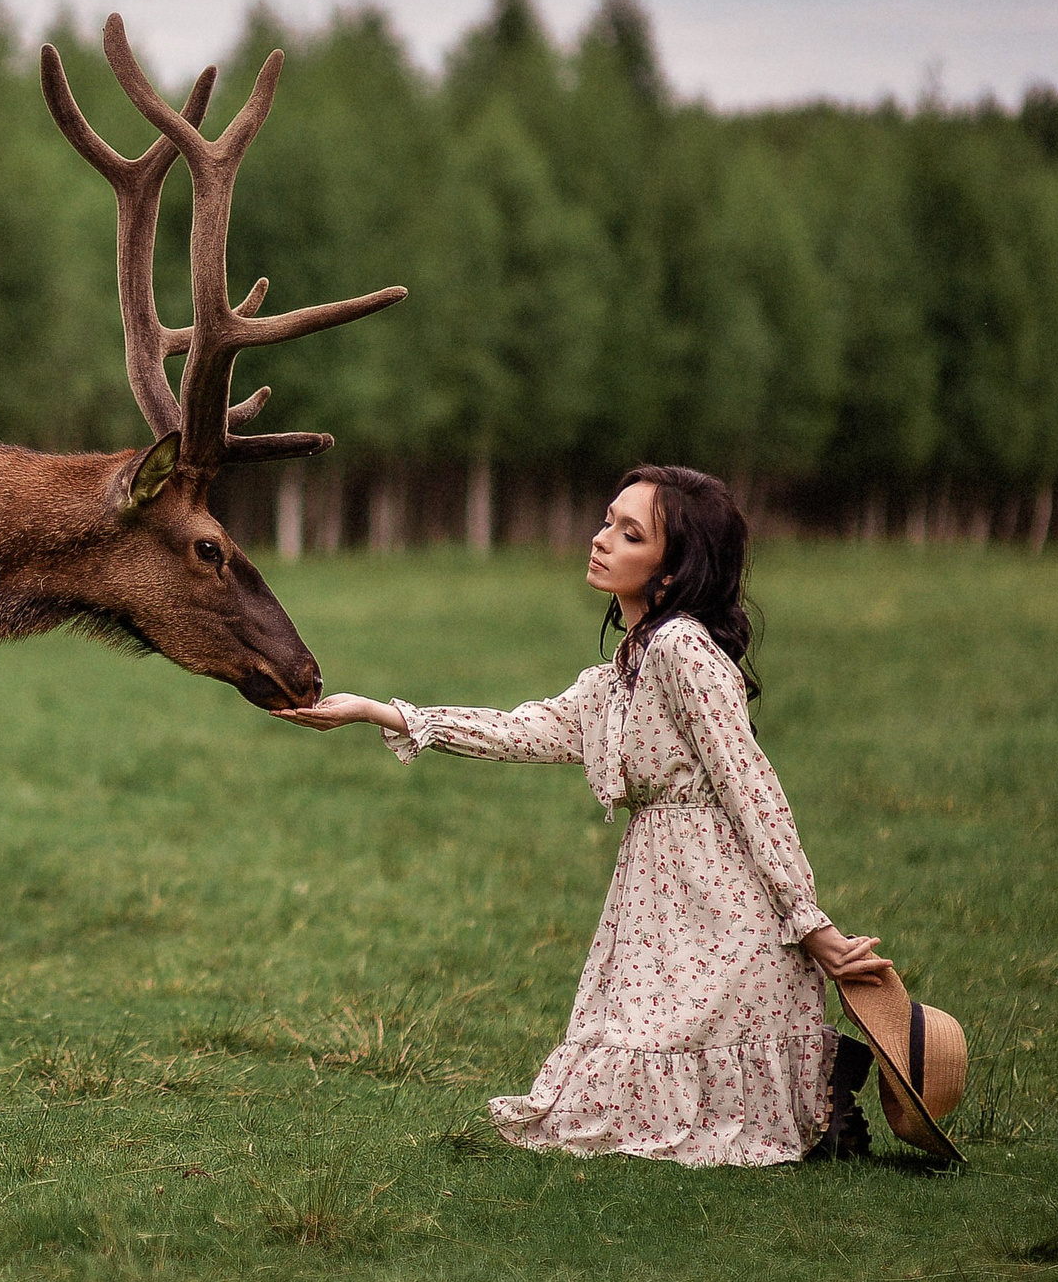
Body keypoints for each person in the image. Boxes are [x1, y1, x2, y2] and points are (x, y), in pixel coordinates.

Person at [275, 465, 892, 1167]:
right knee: (602, 1101)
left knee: (642, 1089)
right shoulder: (620, 674)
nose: (601, 541)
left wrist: (805, 919)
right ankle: (826, 1098)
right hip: (656, 893)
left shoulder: (685, 652)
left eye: (630, 534)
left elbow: (751, 787)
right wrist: (374, 711)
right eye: (608, 522)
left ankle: (828, 1100)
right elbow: (521, 730)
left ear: (673, 567)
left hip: (718, 893)